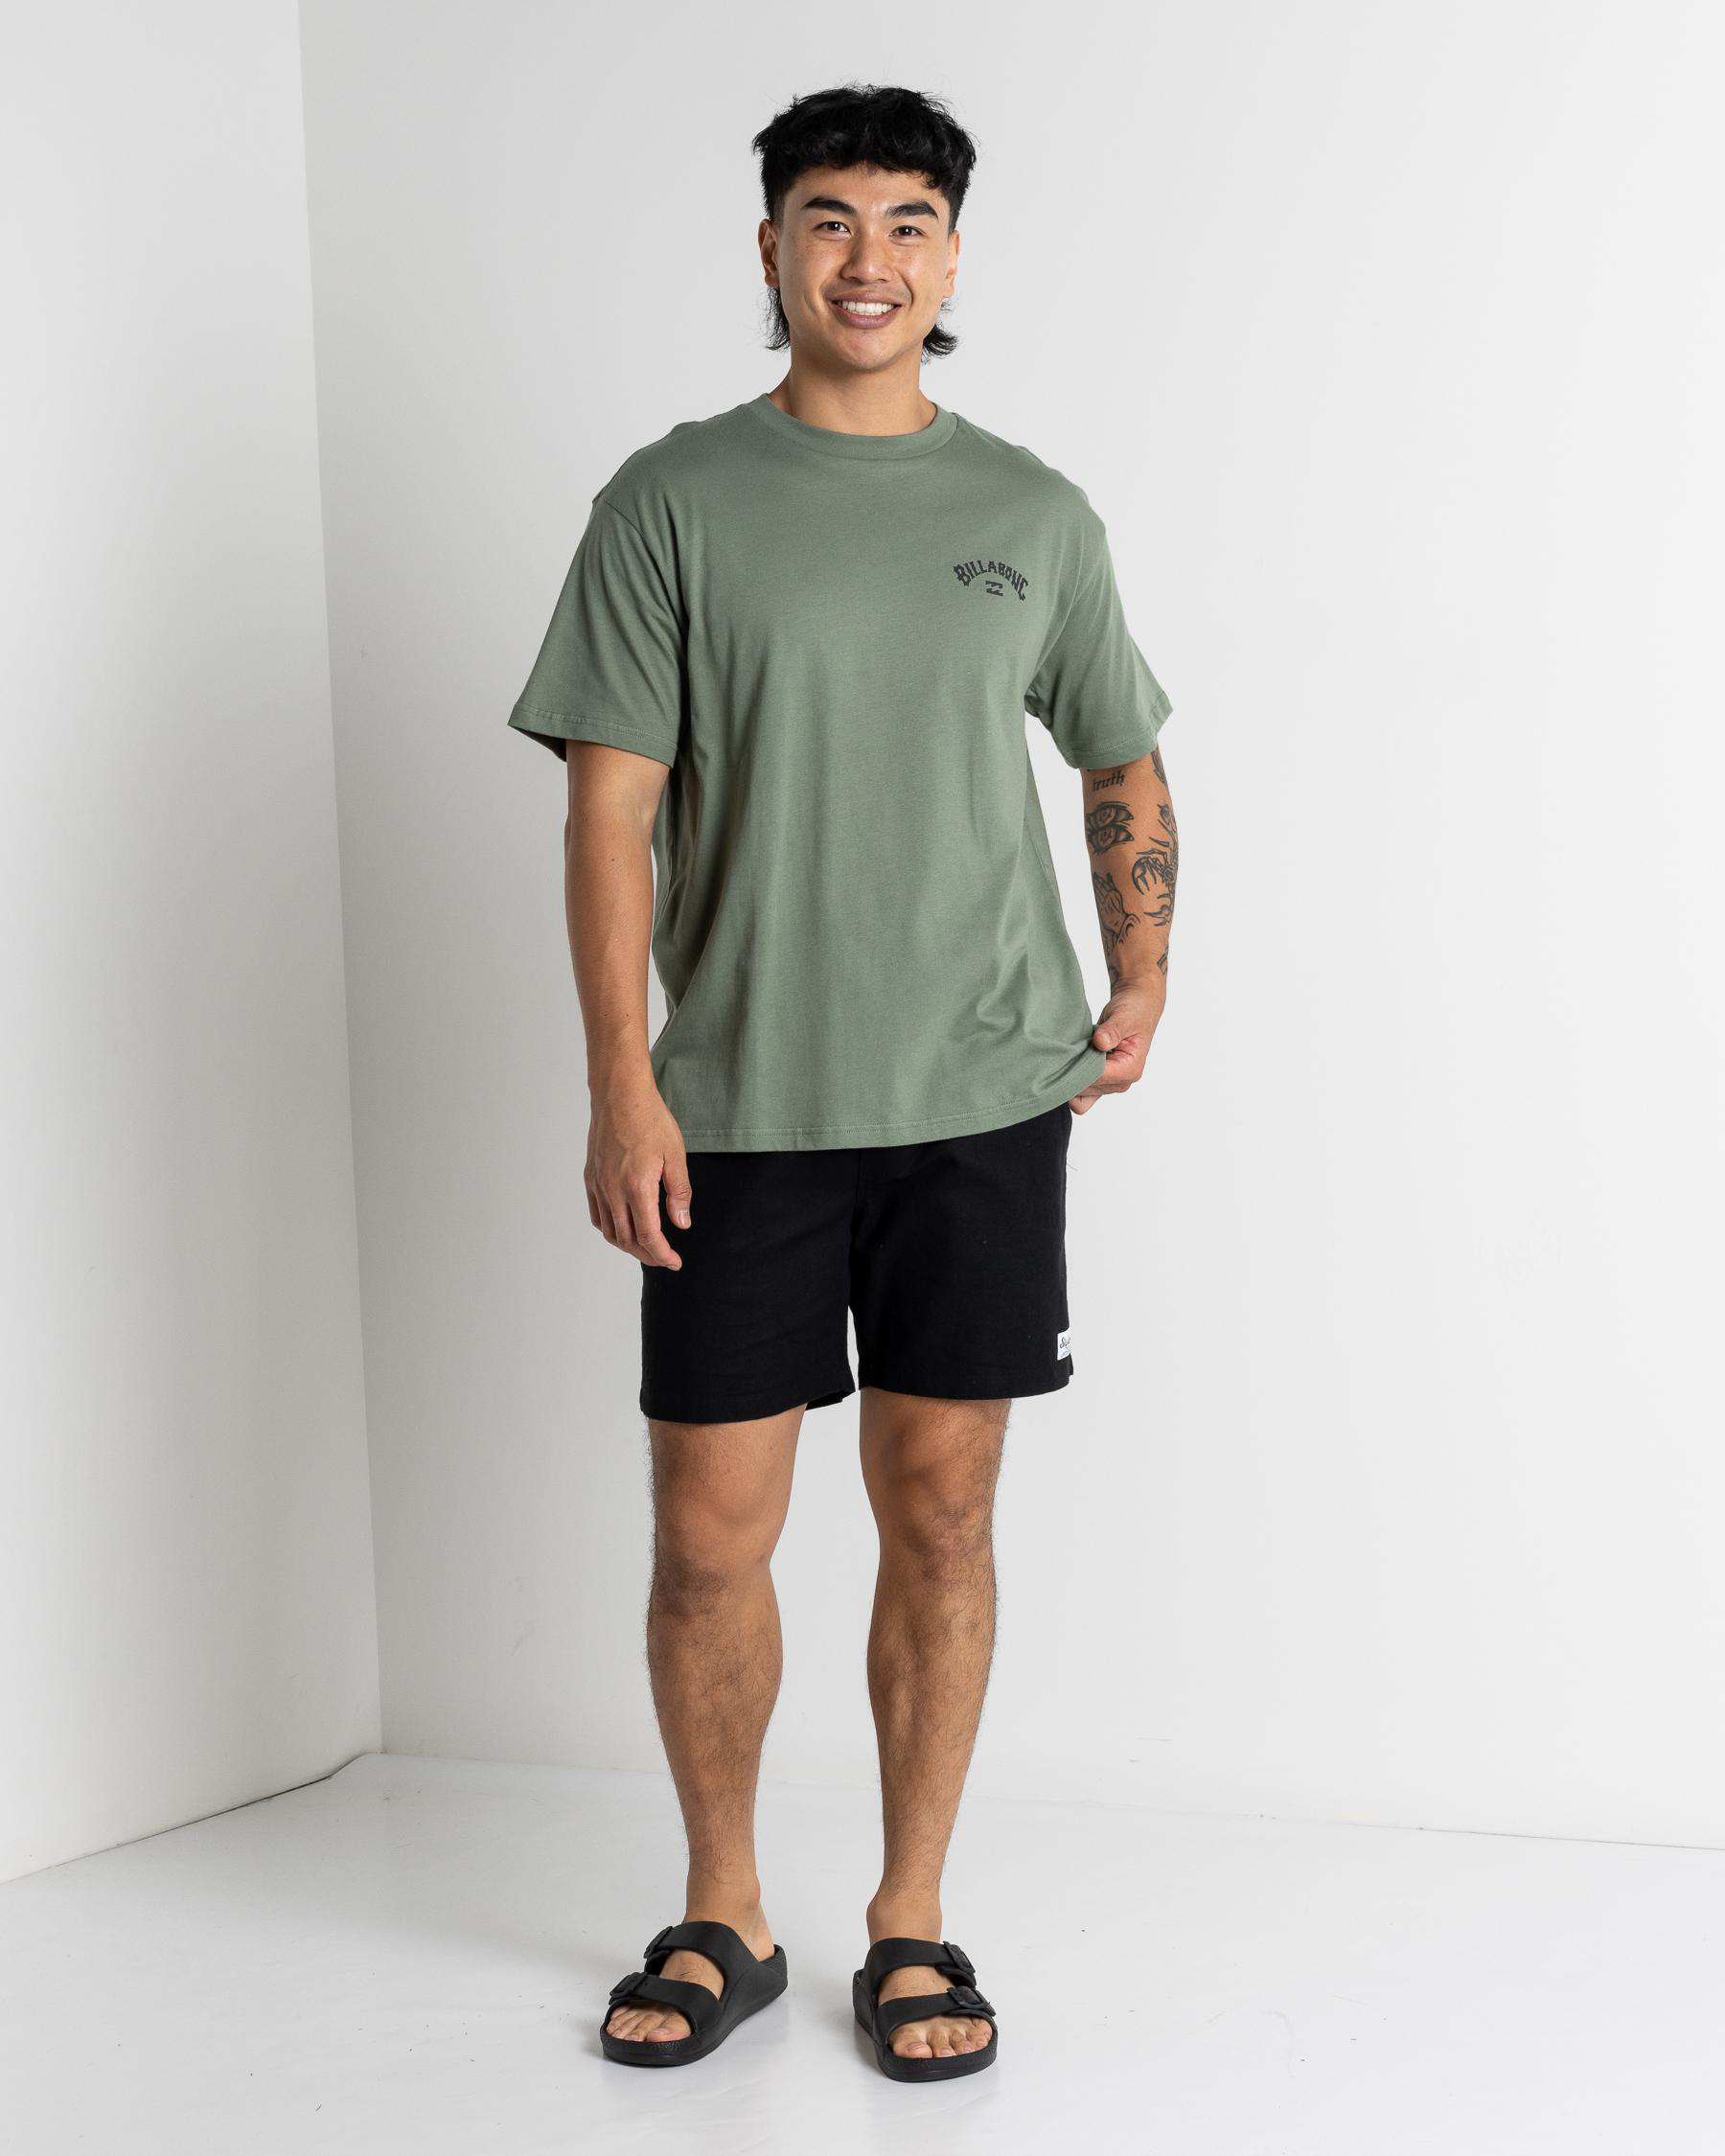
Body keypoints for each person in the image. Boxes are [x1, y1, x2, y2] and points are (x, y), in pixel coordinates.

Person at [506, 82, 1178, 2082]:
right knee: (708, 1534)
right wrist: (621, 1083)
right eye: (826, 217)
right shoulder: (672, 501)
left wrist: (1145, 966)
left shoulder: (1034, 516)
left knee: (943, 1515)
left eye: (904, 221)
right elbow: (608, 817)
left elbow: (1121, 753)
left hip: (984, 1097)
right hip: (736, 1107)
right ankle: (725, 1907)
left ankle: (911, 1917)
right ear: (772, 249)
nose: (866, 258)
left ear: (951, 254)